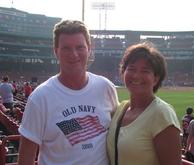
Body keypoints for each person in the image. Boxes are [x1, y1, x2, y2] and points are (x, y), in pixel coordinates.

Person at [18, 20, 119, 165]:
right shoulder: (40, 97)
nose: (74, 54)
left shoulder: (106, 87)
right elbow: (25, 159)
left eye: (80, 47)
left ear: (89, 48)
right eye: (66, 48)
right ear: (56, 51)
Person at [107, 42, 182, 165]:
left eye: (145, 71)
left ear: (156, 78)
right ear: (123, 72)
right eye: (131, 69)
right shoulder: (121, 108)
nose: (136, 76)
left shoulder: (162, 113)